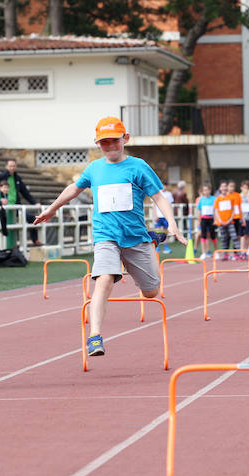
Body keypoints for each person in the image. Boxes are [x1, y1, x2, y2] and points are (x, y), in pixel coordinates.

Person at [33, 117, 186, 357]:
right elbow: (74, 188)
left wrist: (172, 223)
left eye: (114, 140)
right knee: (103, 279)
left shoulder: (138, 166)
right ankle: (94, 336)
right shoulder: (94, 168)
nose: (110, 146)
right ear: (97, 144)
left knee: (151, 292)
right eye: (104, 142)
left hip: (135, 237)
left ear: (125, 139)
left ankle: (152, 241)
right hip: (105, 236)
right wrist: (52, 208)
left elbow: (158, 196)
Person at [0, 159, 41, 247]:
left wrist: (34, 203)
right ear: (6, 166)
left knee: (31, 218)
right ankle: (7, 246)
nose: (12, 168)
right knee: (5, 225)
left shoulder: (17, 178)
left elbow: (25, 192)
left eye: (14, 166)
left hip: (16, 206)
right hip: (4, 207)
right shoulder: (0, 177)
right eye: (10, 166)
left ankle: (35, 240)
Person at [195, 184, 217, 260]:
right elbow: (199, 211)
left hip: (211, 219)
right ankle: (204, 253)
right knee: (203, 236)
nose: (206, 191)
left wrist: (215, 219)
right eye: (204, 190)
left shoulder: (214, 199)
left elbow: (215, 210)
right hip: (203, 219)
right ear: (202, 191)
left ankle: (216, 252)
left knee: (213, 236)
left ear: (210, 190)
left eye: (207, 190)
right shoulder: (201, 199)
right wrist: (198, 220)